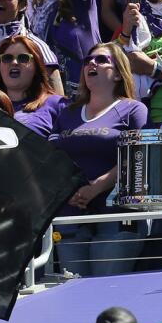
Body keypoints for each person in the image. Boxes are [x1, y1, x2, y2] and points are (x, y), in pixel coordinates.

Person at [51, 43, 148, 277]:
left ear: (117, 73)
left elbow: (139, 155)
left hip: (115, 215)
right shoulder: (68, 112)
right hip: (70, 214)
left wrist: (98, 186)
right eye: (88, 61)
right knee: (72, 292)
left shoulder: (133, 110)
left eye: (102, 60)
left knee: (105, 291)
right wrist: (70, 188)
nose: (91, 64)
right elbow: (52, 155)